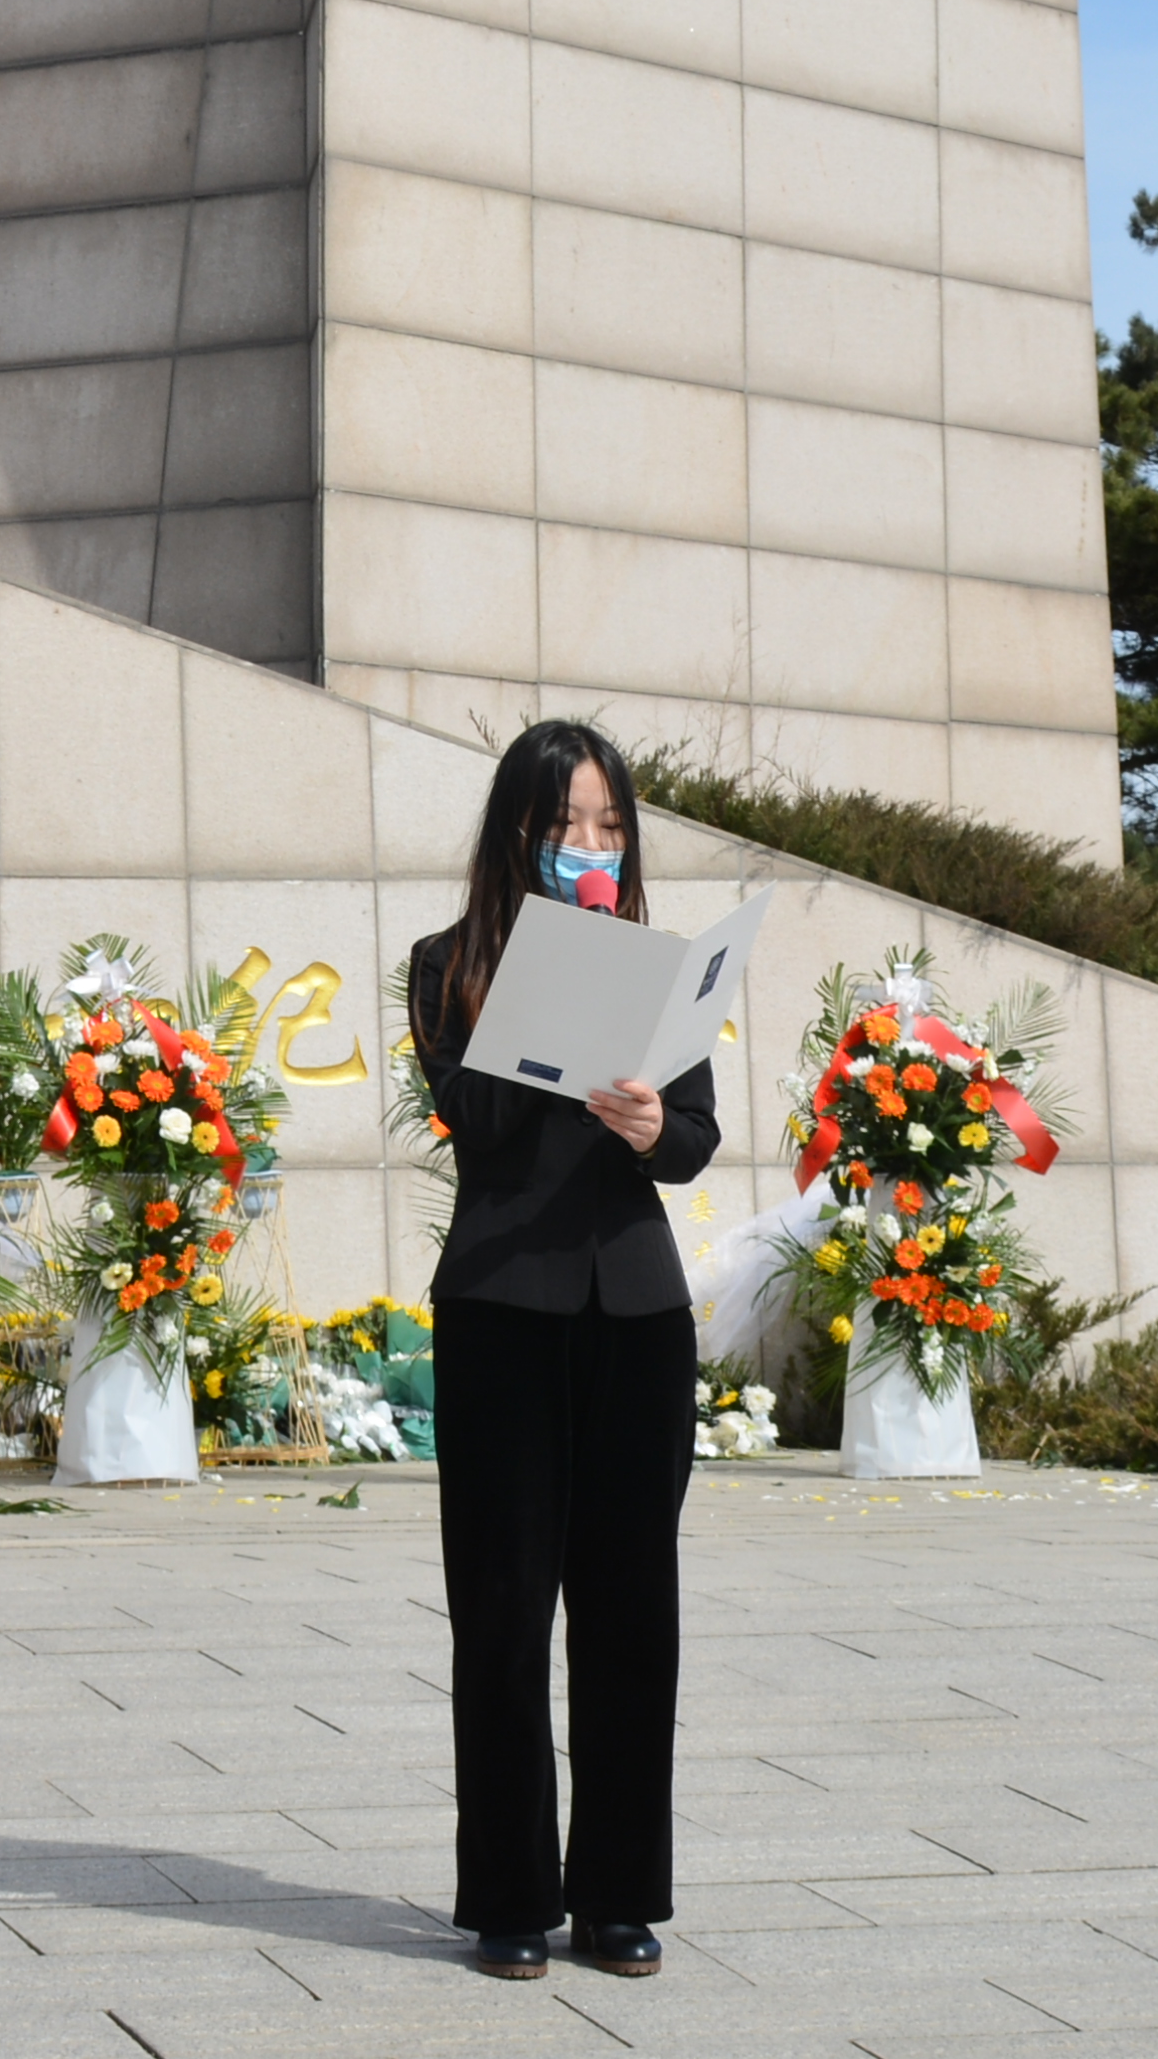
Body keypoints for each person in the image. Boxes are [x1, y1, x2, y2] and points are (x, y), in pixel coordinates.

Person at [405, 719, 720, 1980]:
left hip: (636, 1313)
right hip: (503, 1310)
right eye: (564, 825)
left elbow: (692, 1137)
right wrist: (556, 979)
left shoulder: (664, 968)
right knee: (501, 1610)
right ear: (518, 836)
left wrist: (650, 1125)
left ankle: (618, 1895)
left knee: (634, 1612)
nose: (590, 844)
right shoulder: (450, 963)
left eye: (608, 824)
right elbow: (474, 1116)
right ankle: (510, 1897)